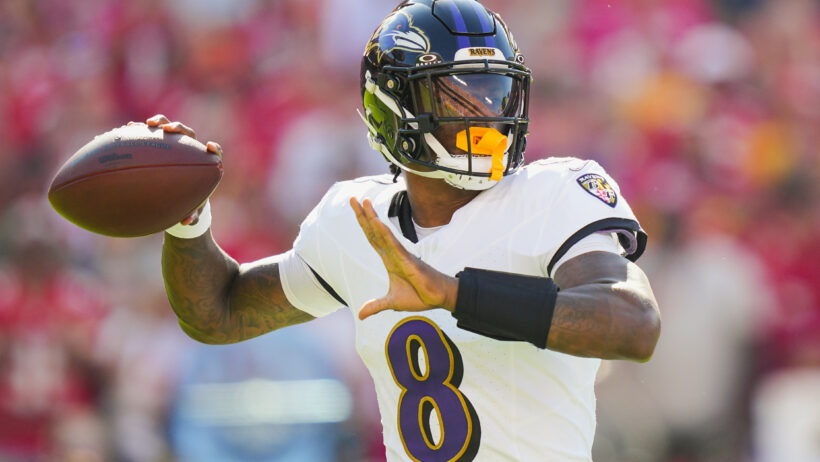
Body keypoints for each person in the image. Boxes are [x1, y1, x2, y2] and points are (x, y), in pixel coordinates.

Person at [153, 0, 661, 460]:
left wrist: (456, 295)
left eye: (494, 90)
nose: (488, 112)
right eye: (459, 96)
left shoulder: (553, 191)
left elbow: (633, 324)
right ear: (393, 107)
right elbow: (217, 314)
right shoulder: (355, 220)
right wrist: (186, 218)